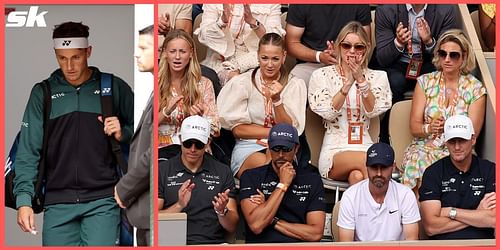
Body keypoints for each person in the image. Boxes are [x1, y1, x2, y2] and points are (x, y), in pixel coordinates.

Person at [14, 21, 134, 246]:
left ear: (88, 51)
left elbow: (144, 135)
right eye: (62, 57)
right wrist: (24, 201)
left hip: (103, 200)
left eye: (76, 57)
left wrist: (122, 132)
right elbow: (28, 151)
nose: (69, 66)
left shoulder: (113, 87)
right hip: (57, 202)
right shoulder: (43, 93)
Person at [401, 29, 486, 195]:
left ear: (463, 57)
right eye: (443, 53)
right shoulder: (425, 81)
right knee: (417, 159)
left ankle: (441, 215)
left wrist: (449, 131)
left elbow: (472, 134)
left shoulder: (475, 88)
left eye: (453, 55)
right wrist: (429, 128)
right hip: (425, 145)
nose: (447, 59)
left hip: (458, 147)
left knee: (449, 163)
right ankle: (419, 214)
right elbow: (414, 126)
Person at [308, 21, 392, 184]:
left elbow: (373, 110)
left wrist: (360, 79)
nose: (352, 51)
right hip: (335, 149)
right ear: (338, 47)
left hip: (365, 145)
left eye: (358, 47)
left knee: (357, 177)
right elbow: (328, 112)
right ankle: (384, 206)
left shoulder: (378, 77)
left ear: (367, 48)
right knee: (373, 162)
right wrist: (347, 84)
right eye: (347, 46)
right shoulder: (321, 76)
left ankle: (360, 210)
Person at [217, 32, 307, 178]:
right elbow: (238, 130)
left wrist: (277, 100)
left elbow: (291, 130)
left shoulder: (295, 85)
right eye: (264, 58)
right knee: (271, 167)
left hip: (283, 149)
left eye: (275, 59)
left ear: (284, 57)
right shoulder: (243, 82)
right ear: (257, 56)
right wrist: (276, 133)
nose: (269, 64)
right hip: (249, 146)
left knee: (277, 161)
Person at [373, 4, 459, 143]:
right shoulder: (386, 9)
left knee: (436, 76)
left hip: (429, 60)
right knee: (394, 81)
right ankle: (387, 137)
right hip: (397, 61)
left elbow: (449, 53)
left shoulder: (445, 9)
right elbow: (382, 58)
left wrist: (429, 42)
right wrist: (399, 43)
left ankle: (436, 135)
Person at [158, 115, 239, 245]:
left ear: (208, 143)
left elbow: (232, 226)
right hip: (172, 243)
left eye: (199, 144)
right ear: (180, 139)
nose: (193, 149)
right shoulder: (162, 170)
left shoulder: (222, 171)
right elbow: (152, 220)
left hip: (212, 244)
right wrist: (179, 205)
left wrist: (222, 211)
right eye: (188, 143)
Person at [239, 123, 326, 243]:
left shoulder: (311, 179)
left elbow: (315, 233)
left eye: (286, 149)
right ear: (269, 147)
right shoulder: (251, 176)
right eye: (276, 148)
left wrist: (272, 219)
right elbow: (256, 225)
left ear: (296, 148)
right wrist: (282, 185)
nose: (280, 155)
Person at [419, 115, 495, 239]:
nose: (457, 147)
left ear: (473, 139)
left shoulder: (490, 170)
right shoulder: (433, 173)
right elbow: (431, 227)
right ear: (446, 141)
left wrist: (450, 212)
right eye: (452, 141)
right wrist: (478, 214)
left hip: (481, 244)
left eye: (462, 140)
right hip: (443, 246)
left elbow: (493, 218)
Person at [114, 24, 153, 246]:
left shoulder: (164, 94)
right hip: (143, 213)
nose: (136, 53)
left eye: (143, 47)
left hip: (152, 211)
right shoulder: (155, 91)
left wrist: (124, 187)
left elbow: (152, 153)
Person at [337, 142, 420, 241]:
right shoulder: (350, 196)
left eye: (384, 167)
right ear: (366, 166)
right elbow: (346, 245)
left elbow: (412, 241)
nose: (379, 173)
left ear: (393, 167)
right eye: (374, 167)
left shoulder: (406, 195)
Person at [158, 29, 220, 158]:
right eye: (172, 51)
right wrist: (166, 111)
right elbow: (144, 129)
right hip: (161, 152)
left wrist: (198, 119)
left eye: (183, 51)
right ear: (164, 53)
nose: (177, 57)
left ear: (191, 53)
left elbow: (215, 130)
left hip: (194, 151)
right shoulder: (153, 83)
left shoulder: (203, 83)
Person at [194, 4, 284, 85]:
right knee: (234, 79)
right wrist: (221, 22)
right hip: (219, 60)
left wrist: (254, 23)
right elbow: (204, 36)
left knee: (247, 82)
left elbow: (276, 41)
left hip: (254, 61)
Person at [285, 4, 371, 86]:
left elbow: (365, 43)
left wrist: (341, 55)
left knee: (370, 83)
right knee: (295, 82)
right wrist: (319, 56)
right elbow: (291, 44)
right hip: (310, 64)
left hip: (351, 63)